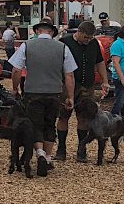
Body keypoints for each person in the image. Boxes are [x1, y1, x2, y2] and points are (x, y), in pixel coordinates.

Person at [9, 18, 77, 176]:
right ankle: (47, 157)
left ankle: (39, 152)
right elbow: (69, 75)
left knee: (35, 124)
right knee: (50, 124)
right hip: (54, 93)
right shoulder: (62, 48)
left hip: (33, 92)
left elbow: (16, 70)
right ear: (52, 32)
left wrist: (14, 88)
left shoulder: (27, 45)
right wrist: (71, 96)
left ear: (37, 31)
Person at [56, 20, 109, 162]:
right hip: (66, 86)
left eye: (91, 38)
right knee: (63, 116)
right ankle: (61, 149)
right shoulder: (64, 42)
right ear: (78, 32)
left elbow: (100, 62)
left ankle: (81, 149)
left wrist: (105, 80)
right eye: (86, 37)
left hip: (88, 85)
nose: (88, 40)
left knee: (84, 118)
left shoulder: (94, 44)